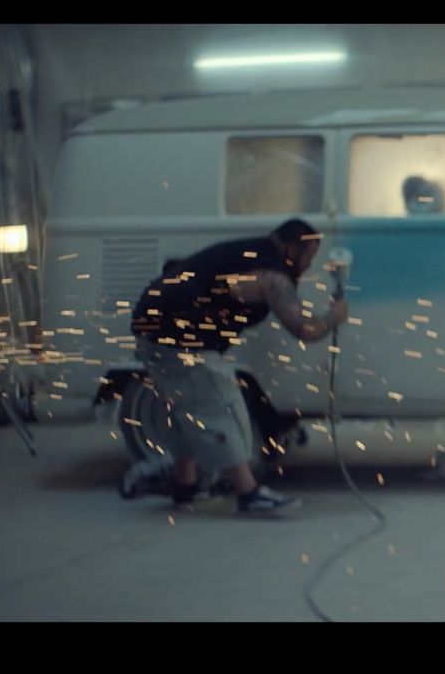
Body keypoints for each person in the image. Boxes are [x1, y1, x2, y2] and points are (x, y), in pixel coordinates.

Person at [127, 218, 348, 516]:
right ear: (293, 248)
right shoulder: (271, 276)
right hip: (176, 336)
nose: (308, 266)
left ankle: (184, 487)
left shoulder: (250, 253)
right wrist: (334, 315)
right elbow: (305, 330)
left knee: (189, 409)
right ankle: (249, 494)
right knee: (222, 405)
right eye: (309, 256)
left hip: (154, 327)